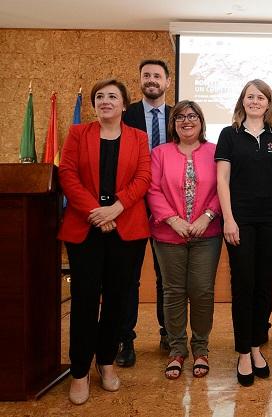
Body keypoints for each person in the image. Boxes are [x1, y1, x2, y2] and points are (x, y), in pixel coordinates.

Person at [58, 79, 151, 405]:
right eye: (100, 97)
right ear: (94, 104)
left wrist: (117, 206)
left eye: (113, 96)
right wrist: (96, 212)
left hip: (127, 228)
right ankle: (80, 371)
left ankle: (107, 362)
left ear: (124, 105)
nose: (105, 101)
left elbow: (143, 177)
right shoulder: (77, 134)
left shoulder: (138, 137)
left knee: (117, 301)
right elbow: (66, 174)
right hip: (86, 229)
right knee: (84, 301)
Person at [215, 79, 272, 386]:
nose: (256, 101)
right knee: (243, 283)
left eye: (261, 97)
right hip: (240, 221)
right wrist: (228, 219)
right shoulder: (229, 135)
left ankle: (258, 346)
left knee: (264, 285)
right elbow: (222, 180)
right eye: (250, 96)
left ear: (268, 102)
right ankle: (243, 351)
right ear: (242, 101)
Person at [147, 100, 222, 380]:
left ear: (201, 121)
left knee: (202, 291)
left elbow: (222, 187)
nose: (186, 121)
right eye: (180, 117)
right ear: (173, 123)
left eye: (192, 116)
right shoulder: (159, 153)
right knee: (173, 292)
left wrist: (206, 216)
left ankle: (200, 348)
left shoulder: (215, 152)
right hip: (168, 235)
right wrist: (172, 220)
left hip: (207, 233)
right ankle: (177, 349)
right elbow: (152, 190)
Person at [118, 59, 172, 366]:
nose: (151, 80)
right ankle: (126, 338)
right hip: (132, 205)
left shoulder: (179, 115)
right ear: (140, 81)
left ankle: (169, 332)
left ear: (167, 81)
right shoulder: (127, 115)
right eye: (146, 75)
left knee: (167, 276)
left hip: (169, 206)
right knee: (129, 277)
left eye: (157, 76)